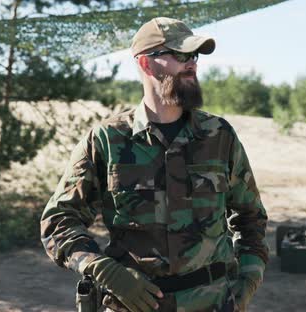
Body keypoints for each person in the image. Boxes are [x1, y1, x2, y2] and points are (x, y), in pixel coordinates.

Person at [40, 17, 268, 312]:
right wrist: (104, 270)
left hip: (213, 304)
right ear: (146, 64)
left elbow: (251, 219)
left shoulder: (219, 136)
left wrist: (246, 285)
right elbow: (58, 222)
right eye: (180, 55)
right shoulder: (108, 139)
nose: (191, 64)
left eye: (194, 56)